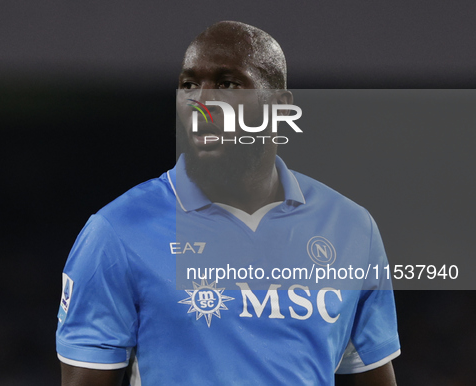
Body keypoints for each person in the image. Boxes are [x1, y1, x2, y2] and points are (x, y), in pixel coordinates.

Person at [56, 21, 400, 386]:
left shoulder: (351, 227)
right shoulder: (116, 233)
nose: (201, 102)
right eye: (189, 85)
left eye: (227, 84)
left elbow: (369, 374)